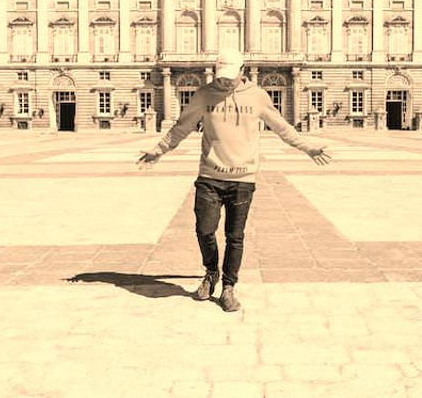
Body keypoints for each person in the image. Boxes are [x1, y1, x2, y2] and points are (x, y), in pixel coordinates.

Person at [137, 49, 332, 312]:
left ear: (243, 70)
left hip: (243, 179)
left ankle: (229, 287)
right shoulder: (204, 94)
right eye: (222, 76)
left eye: (231, 76)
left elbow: (282, 128)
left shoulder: (258, 96)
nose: (225, 82)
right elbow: (180, 128)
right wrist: (158, 150)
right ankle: (211, 273)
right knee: (204, 230)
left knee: (234, 236)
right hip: (209, 176)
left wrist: (308, 148)